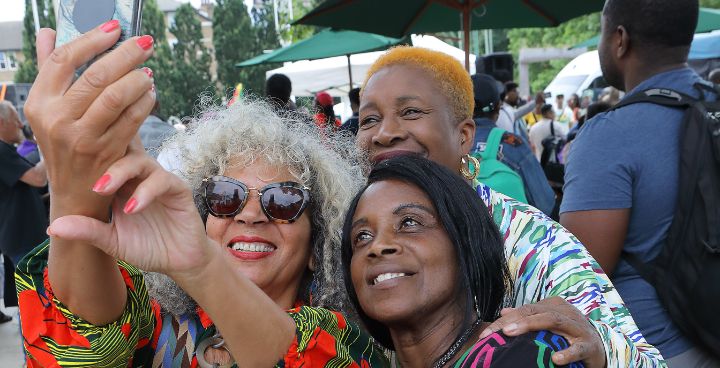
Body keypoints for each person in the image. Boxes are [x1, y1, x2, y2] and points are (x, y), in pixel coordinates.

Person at [17, 26, 386, 367]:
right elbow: (75, 350)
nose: (250, 215)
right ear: (203, 215)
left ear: (317, 244)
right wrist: (78, 192)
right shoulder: (152, 326)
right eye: (226, 196)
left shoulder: (346, 345)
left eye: (283, 200)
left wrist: (204, 269)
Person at [356, 45, 663, 367]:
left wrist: (598, 349)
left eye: (411, 112)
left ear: (464, 135)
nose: (385, 133)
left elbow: (648, 362)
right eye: (369, 119)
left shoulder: (531, 243)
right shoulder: (354, 235)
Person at [561, 0, 719, 366]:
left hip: (656, 349)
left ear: (619, 40)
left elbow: (579, 277)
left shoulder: (609, 135)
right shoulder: (714, 105)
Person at [341, 155, 581, 368]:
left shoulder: (525, 354)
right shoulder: (355, 358)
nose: (378, 246)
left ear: (466, 242)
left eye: (410, 223)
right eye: (362, 236)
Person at [470, 73, 555, 216]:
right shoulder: (513, 145)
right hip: (508, 236)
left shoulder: (445, 145)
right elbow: (545, 204)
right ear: (498, 107)